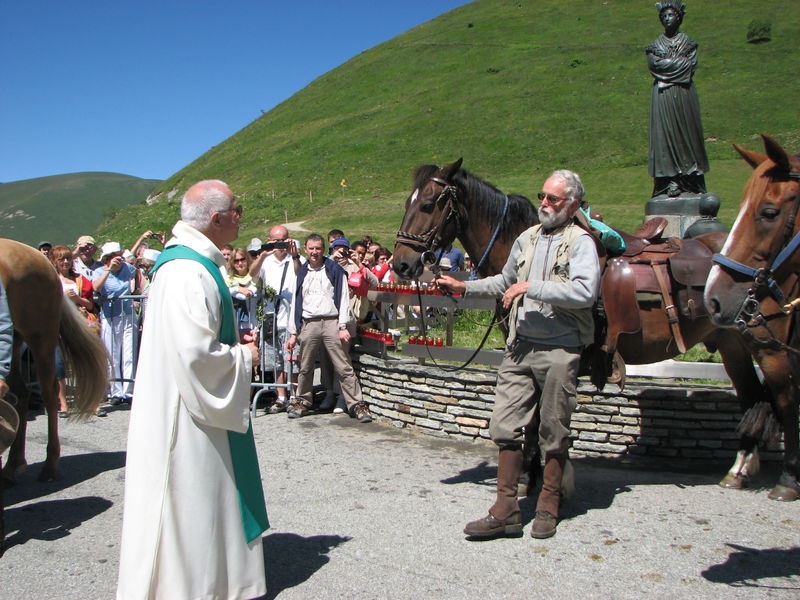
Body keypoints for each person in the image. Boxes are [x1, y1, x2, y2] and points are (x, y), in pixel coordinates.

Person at [117, 180, 267, 600]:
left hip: (187, 399)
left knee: (204, 496)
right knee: (191, 496)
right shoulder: (186, 271)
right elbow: (195, 354)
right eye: (237, 209)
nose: (241, 215)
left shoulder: (192, 265)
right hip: (186, 413)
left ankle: (215, 582)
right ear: (217, 218)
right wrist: (244, 356)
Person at [437, 170, 601, 540]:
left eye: (553, 199)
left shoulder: (581, 242)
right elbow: (504, 282)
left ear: (572, 203)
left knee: (553, 431)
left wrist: (532, 287)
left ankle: (548, 503)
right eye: (542, 196)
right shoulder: (526, 238)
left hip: (560, 348)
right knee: (504, 427)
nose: (543, 204)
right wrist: (464, 287)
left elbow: (585, 292)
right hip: (520, 346)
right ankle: (506, 509)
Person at [286, 234, 372, 423]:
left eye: (318, 248)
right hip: (309, 323)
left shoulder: (334, 269)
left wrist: (342, 326)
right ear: (306, 250)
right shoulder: (302, 272)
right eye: (311, 248)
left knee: (343, 365)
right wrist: (293, 332)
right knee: (305, 366)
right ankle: (302, 401)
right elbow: (296, 301)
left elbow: (342, 298)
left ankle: (357, 404)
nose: (314, 252)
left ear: (324, 249)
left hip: (332, 321)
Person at [647, 0, 709, 197]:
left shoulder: (688, 43)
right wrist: (676, 64)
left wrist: (668, 66)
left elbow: (689, 67)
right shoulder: (655, 46)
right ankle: (670, 179)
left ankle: (689, 179)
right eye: (664, 16)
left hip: (683, 95)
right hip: (663, 96)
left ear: (679, 17)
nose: (667, 19)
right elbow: (655, 67)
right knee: (664, 135)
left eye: (671, 15)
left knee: (687, 135)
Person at [249, 225, 302, 413]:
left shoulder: (295, 258)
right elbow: (252, 274)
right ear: (270, 240)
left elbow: (300, 273)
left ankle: (295, 395)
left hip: (290, 318)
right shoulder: (266, 260)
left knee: (292, 358)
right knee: (276, 360)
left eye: (283, 240)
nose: (280, 245)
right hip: (271, 317)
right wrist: (263, 254)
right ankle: (281, 396)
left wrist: (294, 254)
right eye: (276, 241)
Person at [50, 245, 98, 417]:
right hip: (56, 325)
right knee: (59, 364)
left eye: (68, 258)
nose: (65, 262)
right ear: (54, 261)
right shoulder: (50, 280)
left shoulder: (80, 279)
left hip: (78, 324)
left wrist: (77, 299)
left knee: (84, 360)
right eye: (61, 259)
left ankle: (92, 401)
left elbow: (91, 305)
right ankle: (63, 403)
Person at [93, 242, 138, 402]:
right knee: (112, 354)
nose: (118, 259)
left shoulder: (127, 268)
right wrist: (108, 270)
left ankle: (128, 390)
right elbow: (96, 287)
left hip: (127, 314)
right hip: (110, 316)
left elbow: (136, 273)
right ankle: (115, 390)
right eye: (114, 256)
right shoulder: (99, 271)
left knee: (128, 353)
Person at [225, 248, 258, 343]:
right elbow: (226, 291)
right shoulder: (228, 279)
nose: (240, 263)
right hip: (236, 324)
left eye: (242, 259)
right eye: (236, 260)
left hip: (254, 323)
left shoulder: (254, 276)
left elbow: (247, 295)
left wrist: (234, 291)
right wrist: (237, 289)